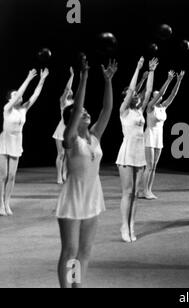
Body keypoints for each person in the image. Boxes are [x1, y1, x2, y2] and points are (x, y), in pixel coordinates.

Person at [55, 58, 117, 288]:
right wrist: (84, 78)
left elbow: (108, 109)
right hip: (73, 198)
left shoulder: (94, 136)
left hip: (92, 197)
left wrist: (108, 81)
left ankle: (77, 286)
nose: (86, 114)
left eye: (87, 112)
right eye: (82, 113)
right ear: (72, 120)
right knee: (70, 250)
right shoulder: (70, 139)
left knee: (85, 250)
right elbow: (78, 107)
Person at [116, 57, 158, 243]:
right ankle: (124, 226)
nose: (134, 95)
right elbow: (133, 89)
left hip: (139, 153)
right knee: (128, 192)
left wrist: (152, 71)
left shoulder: (140, 110)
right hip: (126, 152)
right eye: (130, 94)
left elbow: (148, 91)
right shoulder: (124, 110)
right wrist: (137, 67)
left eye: (134, 95)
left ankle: (132, 224)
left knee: (136, 194)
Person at [0, 68, 49, 217]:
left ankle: (7, 202)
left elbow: (35, 94)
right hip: (5, 140)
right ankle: (0, 204)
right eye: (14, 95)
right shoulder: (7, 108)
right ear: (10, 99)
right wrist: (28, 78)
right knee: (3, 175)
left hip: (16, 141)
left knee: (12, 175)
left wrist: (42, 79)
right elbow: (20, 94)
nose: (18, 96)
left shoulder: (23, 110)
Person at [142, 70, 185, 200]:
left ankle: (149, 190)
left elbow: (173, 94)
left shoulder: (163, 107)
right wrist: (168, 79)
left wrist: (178, 80)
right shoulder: (150, 107)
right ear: (153, 98)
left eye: (158, 95)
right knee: (149, 166)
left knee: (154, 166)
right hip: (149, 135)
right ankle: (144, 191)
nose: (159, 96)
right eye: (156, 95)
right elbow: (162, 92)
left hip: (158, 137)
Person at [53, 67, 75, 184]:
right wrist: (72, 76)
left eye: (72, 90)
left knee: (68, 155)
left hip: (71, 130)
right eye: (68, 91)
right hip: (61, 129)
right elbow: (67, 88)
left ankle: (65, 173)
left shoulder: (74, 103)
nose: (70, 91)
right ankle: (58, 176)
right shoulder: (63, 101)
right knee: (61, 154)